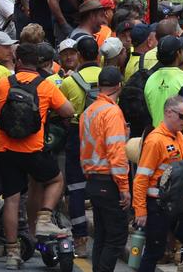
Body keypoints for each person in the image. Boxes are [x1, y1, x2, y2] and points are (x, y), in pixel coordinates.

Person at [0, 43, 74, 268]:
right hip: (33, 149)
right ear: (38, 62)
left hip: (6, 150)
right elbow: (68, 110)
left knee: (12, 198)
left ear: (18, 61)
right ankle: (44, 219)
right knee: (56, 179)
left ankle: (12, 254)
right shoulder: (45, 86)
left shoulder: (4, 84)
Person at [133, 96, 183, 272]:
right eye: (182, 116)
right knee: (154, 251)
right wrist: (140, 210)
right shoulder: (155, 141)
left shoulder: (179, 136)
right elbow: (141, 178)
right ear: (169, 113)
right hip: (158, 206)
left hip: (176, 206)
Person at [80, 66, 130, 272]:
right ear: (119, 85)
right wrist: (124, 187)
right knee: (116, 238)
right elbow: (116, 152)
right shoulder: (112, 112)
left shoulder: (89, 111)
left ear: (100, 85)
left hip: (92, 179)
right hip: (108, 181)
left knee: (102, 235)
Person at [59, 36, 101, 255]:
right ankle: (104, 237)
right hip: (104, 137)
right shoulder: (109, 78)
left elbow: (60, 109)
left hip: (78, 135)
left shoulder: (69, 81)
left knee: (76, 189)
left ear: (79, 56)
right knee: (104, 186)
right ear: (98, 55)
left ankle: (81, 239)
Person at [144, 35, 183, 126]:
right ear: (179, 53)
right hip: (179, 137)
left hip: (157, 135)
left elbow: (151, 110)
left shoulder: (150, 80)